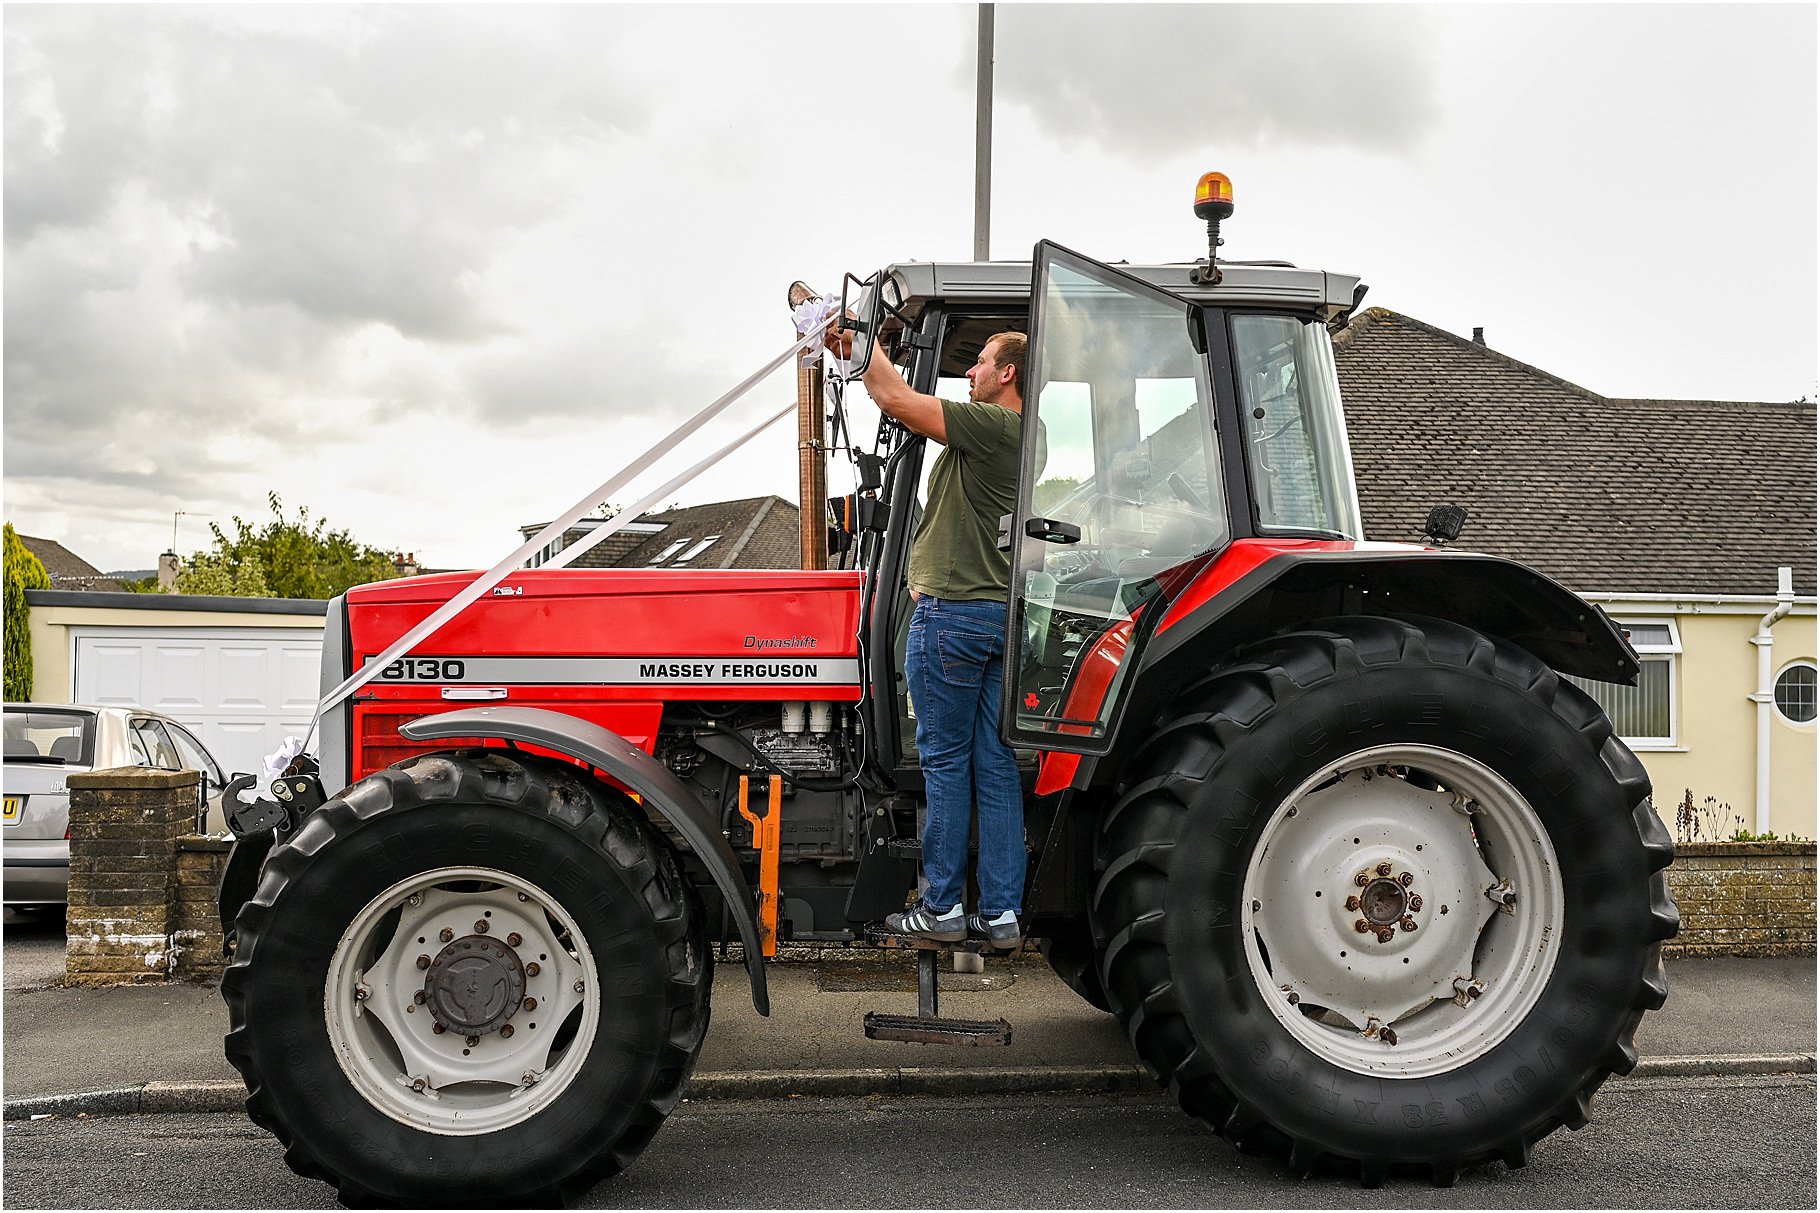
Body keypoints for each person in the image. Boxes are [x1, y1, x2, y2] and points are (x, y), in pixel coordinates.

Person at [828, 321, 1029, 948]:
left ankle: (939, 905)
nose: (968, 373)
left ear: (1007, 374)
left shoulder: (995, 426)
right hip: (997, 615)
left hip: (955, 618)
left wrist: (859, 349)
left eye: (979, 363)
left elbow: (896, 401)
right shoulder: (1024, 436)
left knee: (942, 763)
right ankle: (999, 912)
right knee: (993, 766)